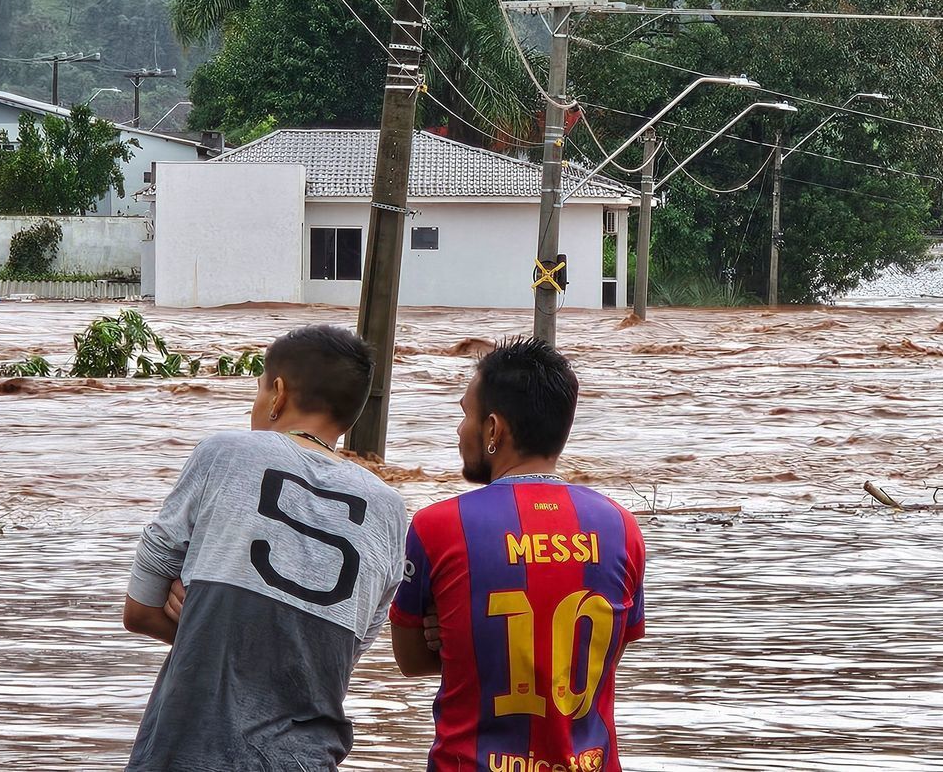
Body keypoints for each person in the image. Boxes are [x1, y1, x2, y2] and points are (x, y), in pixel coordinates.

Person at [121, 324, 408, 772]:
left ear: (277, 393)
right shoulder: (390, 511)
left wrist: (205, 618)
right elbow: (334, 659)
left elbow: (139, 611)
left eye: (257, 390)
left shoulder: (226, 452)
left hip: (190, 748)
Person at [390, 338, 647, 772]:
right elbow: (605, 654)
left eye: (464, 415)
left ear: (494, 429)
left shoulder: (438, 526)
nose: (459, 431)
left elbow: (411, 660)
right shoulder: (622, 527)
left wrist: (459, 632)